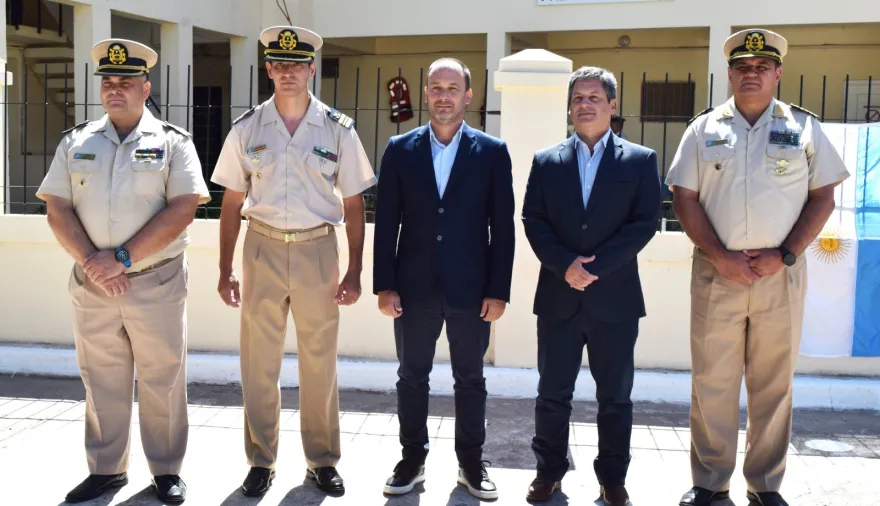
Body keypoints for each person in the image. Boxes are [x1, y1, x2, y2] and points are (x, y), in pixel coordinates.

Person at [666, 29, 849, 506]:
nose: (751, 74)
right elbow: (684, 198)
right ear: (729, 74)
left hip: (780, 274)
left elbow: (823, 197)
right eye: (742, 67)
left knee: (773, 383)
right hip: (716, 273)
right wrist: (720, 256)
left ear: (778, 73)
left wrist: (784, 254)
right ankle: (710, 481)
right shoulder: (703, 129)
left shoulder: (804, 128)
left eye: (761, 67)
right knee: (712, 381)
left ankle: (765, 484)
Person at [35, 38, 210, 504]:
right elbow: (57, 208)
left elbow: (183, 208)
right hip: (92, 283)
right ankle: (106, 470)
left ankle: (166, 470)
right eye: (108, 82)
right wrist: (94, 263)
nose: (115, 89)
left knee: (162, 377)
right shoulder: (76, 141)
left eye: (126, 81)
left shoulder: (173, 142)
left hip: (156, 280)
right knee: (101, 378)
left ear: (145, 87)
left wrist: (122, 259)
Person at [210, 26, 376, 497]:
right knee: (258, 361)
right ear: (268, 69)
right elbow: (231, 203)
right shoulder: (247, 129)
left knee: (319, 361)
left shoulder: (338, 129)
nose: (288, 73)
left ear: (311, 70)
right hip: (261, 247)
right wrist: (225, 269)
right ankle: (261, 460)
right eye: (279, 65)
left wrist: (355, 270)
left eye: (296, 65)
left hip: (316, 249)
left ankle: (321, 459)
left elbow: (354, 203)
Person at [373, 57, 515, 500]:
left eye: (453, 88)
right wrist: (385, 285)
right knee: (411, 377)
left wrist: (498, 290)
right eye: (436, 87)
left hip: (471, 290)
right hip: (412, 288)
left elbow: (503, 227)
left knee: (470, 379)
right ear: (426, 93)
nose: (443, 96)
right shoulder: (400, 149)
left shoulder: (492, 152)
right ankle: (411, 460)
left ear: (468, 96)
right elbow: (387, 222)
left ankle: (471, 464)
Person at [521, 66, 662, 505]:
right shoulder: (546, 161)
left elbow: (644, 224)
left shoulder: (640, 160)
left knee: (615, 397)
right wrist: (565, 265)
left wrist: (593, 268)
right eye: (578, 98)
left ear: (612, 105)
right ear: (569, 107)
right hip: (558, 296)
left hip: (615, 300)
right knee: (552, 393)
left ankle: (613, 478)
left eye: (594, 98)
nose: (585, 104)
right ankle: (549, 472)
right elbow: (533, 220)